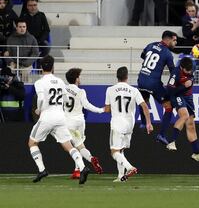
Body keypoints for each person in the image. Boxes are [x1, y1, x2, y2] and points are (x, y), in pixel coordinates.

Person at [28, 55, 90, 184]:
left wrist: (39, 109)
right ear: (53, 67)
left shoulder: (39, 82)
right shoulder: (60, 81)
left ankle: (42, 169)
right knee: (68, 145)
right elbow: (67, 99)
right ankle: (83, 167)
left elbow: (40, 98)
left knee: (32, 143)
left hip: (47, 116)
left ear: (40, 68)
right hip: (60, 117)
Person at [105, 66, 153, 182]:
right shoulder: (134, 90)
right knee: (120, 150)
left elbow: (107, 109)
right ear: (127, 77)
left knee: (114, 152)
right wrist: (148, 123)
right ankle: (121, 176)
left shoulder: (110, 89)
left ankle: (130, 168)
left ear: (117, 77)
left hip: (117, 123)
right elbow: (145, 106)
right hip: (129, 124)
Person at [137, 30, 177, 145]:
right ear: (168, 39)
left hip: (141, 79)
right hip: (153, 83)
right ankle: (162, 134)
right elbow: (172, 72)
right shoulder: (167, 53)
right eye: (174, 40)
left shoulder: (151, 45)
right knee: (169, 106)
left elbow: (142, 56)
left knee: (144, 100)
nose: (175, 43)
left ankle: (144, 123)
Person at [165, 57, 199, 164]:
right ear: (181, 67)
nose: (189, 72)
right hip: (177, 95)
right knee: (184, 116)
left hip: (188, 97)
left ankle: (196, 153)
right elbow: (170, 90)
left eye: (190, 70)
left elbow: (190, 83)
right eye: (187, 70)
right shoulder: (175, 72)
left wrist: (186, 86)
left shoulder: (192, 68)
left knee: (191, 124)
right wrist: (184, 86)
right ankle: (171, 141)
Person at [64, 68, 104, 179]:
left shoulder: (63, 89)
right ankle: (84, 164)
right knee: (80, 145)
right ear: (76, 79)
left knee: (72, 148)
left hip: (68, 122)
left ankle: (81, 168)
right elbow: (87, 105)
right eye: (79, 76)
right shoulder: (81, 92)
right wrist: (101, 110)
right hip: (80, 122)